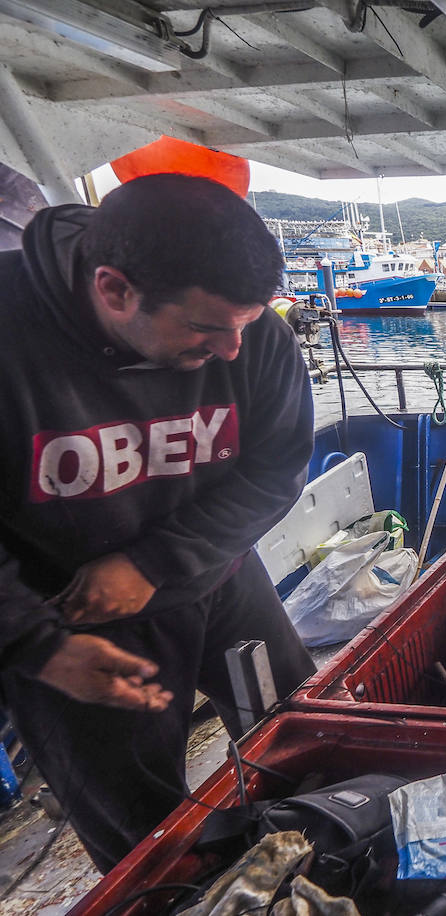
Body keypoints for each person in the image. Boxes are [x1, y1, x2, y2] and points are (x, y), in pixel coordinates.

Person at [0, 173, 316, 872]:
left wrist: (156, 563)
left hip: (218, 572)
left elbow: (277, 468)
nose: (233, 351)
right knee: (148, 837)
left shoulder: (249, 334)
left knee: (307, 738)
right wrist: (37, 645)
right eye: (207, 329)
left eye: (246, 325)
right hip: (72, 621)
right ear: (113, 290)